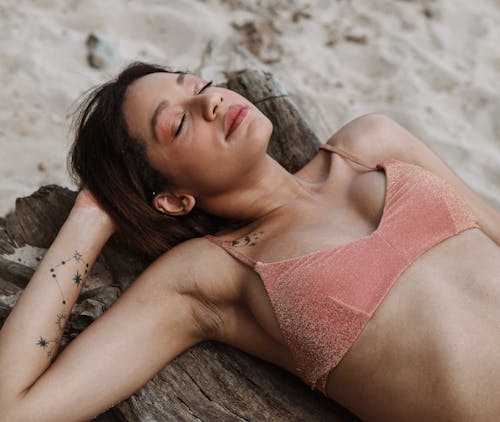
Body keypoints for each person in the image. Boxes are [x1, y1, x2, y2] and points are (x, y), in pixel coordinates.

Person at [1, 61, 499, 422]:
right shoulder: (209, 278)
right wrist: (91, 214)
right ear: (173, 199)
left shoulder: (373, 143)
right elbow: (14, 409)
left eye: (200, 86)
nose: (212, 101)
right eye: (178, 122)